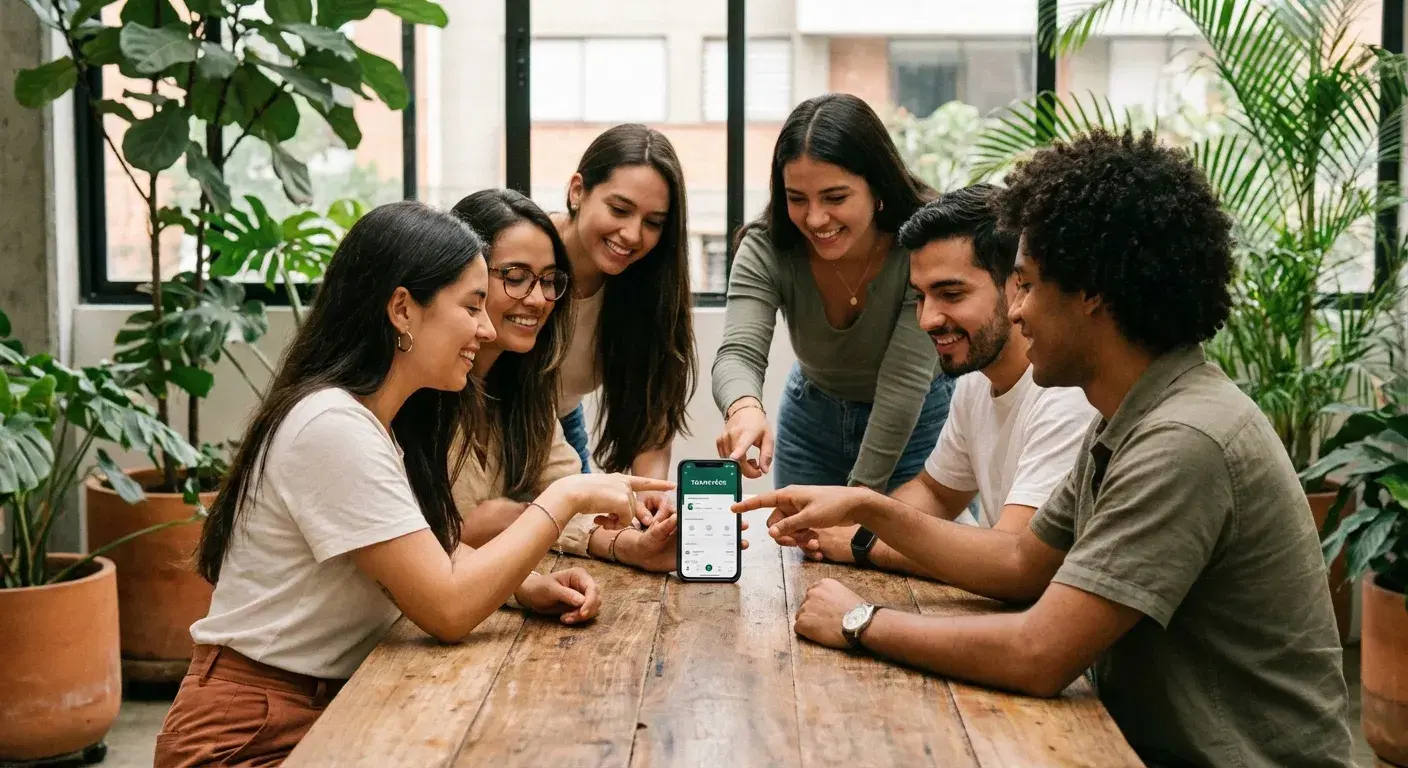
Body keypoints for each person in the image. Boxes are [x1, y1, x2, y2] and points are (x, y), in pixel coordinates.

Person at [737, 130, 1355, 767]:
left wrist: (860, 621)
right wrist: (868, 510)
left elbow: (1040, 654)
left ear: (1092, 292)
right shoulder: (1129, 412)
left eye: (1026, 285)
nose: (1019, 311)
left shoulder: (1184, 440)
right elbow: (1024, 564)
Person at [155, 201, 671, 768]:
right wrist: (564, 498)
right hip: (248, 733)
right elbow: (447, 608)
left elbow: (429, 555)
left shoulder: (380, 420)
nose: (486, 326)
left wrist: (522, 586)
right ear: (402, 308)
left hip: (331, 703)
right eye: (473, 305)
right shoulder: (333, 426)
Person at [794, 184, 1096, 574]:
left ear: (1018, 285)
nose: (926, 319)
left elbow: (1011, 559)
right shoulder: (974, 378)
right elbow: (935, 492)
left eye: (951, 294)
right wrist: (844, 525)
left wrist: (860, 542)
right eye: (919, 296)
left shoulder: (1068, 395)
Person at [449, 189, 744, 571]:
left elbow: (565, 494)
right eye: (516, 277)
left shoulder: (528, 389)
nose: (538, 300)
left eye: (550, 280)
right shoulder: (420, 394)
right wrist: (518, 519)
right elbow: (440, 544)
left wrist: (636, 544)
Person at [713, 93, 953, 493]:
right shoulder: (767, 246)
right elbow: (738, 353)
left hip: (917, 425)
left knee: (904, 551)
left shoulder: (923, 243)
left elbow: (904, 382)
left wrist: (856, 500)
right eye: (797, 199)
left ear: (877, 187)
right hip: (811, 425)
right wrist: (744, 409)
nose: (815, 218)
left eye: (835, 198)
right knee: (802, 554)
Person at [550, 124, 697, 482]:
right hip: (485, 428)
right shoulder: (524, 257)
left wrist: (651, 497)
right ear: (577, 191)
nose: (632, 235)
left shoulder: (647, 286)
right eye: (619, 210)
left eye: (654, 222)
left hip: (561, 426)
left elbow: (651, 417)